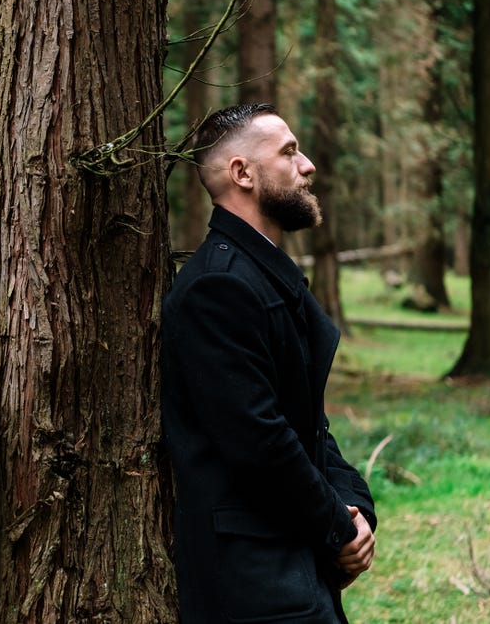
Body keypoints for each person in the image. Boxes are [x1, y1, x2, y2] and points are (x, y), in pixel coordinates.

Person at [160, 103, 376, 623]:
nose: (308, 166)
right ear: (242, 173)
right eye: (290, 152)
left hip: (290, 557)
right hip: (251, 580)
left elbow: (308, 423)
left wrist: (355, 509)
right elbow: (259, 442)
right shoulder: (218, 286)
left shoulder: (261, 274)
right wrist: (336, 528)